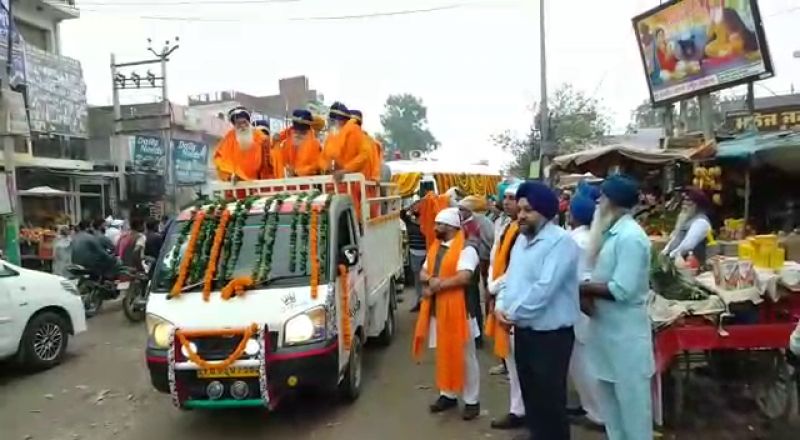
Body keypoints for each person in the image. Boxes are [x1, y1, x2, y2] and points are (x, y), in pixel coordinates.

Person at [495, 180, 579, 440]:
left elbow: (545, 288)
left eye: (528, 210)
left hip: (551, 338)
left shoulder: (561, 242)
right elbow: (510, 278)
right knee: (532, 401)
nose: (521, 215)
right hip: (524, 333)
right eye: (519, 209)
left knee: (551, 405)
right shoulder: (521, 240)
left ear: (545, 212)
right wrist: (500, 306)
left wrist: (513, 314)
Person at [580, 174, 654, 440]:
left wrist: (583, 288)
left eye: (602, 197)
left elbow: (622, 289)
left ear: (611, 202)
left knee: (633, 416)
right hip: (606, 336)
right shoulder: (611, 234)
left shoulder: (631, 237)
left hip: (626, 340)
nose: (598, 202)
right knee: (612, 414)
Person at [412, 207, 481, 421]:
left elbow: (464, 277)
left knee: (465, 356)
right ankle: (448, 394)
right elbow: (424, 271)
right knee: (444, 352)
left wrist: (436, 285)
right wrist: (431, 280)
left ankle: (472, 400)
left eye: (439, 224)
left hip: (461, 311)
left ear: (451, 227)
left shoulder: (467, 249)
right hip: (438, 311)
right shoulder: (436, 247)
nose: (435, 228)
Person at [486, 181, 525, 431]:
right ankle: (517, 409)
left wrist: (494, 287)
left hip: (516, 301)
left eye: (514, 198)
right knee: (512, 363)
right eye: (507, 197)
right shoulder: (507, 226)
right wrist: (492, 284)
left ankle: (521, 412)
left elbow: (517, 270)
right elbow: (495, 259)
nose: (509, 202)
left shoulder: (522, 231)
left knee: (521, 365)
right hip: (503, 296)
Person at [566, 191, 605, 431]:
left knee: (583, 363)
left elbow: (579, 277)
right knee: (584, 362)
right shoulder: (591, 237)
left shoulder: (576, 240)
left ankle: (597, 413)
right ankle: (589, 406)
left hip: (579, 306)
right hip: (584, 306)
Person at [458, 195, 495, 345]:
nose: (460, 212)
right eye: (459, 209)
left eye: (462, 209)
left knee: (473, 300)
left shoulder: (478, 223)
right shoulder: (463, 223)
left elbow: (489, 241)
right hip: (467, 265)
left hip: (478, 263)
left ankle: (478, 334)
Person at [213, 106, 272, 181]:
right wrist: (230, 174)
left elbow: (270, 153)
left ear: (248, 122)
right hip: (236, 183)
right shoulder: (229, 138)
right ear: (234, 125)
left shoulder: (259, 136)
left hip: (257, 183)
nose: (242, 126)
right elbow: (219, 158)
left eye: (244, 122)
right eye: (238, 123)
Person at [319, 102, 371, 181]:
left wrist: (345, 170)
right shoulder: (332, 135)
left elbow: (364, 155)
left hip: (356, 183)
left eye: (332, 121)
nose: (330, 124)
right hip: (336, 183)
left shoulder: (354, 130)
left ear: (341, 121)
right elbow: (322, 157)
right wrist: (326, 168)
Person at [662, 187, 712, 265]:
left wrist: (670, 257)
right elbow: (675, 239)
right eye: (683, 201)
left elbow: (687, 245)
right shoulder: (686, 219)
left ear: (696, 204)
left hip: (688, 266)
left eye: (688, 201)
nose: (684, 205)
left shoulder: (701, 222)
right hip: (674, 264)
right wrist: (664, 253)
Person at [273, 110, 323, 178]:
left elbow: (316, 166)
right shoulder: (286, 141)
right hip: (289, 183)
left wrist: (297, 172)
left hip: (308, 183)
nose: (299, 133)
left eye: (303, 131)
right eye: (296, 130)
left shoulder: (315, 145)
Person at [401, 197, 428, 312]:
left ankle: (426, 302)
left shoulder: (427, 223)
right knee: (417, 280)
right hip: (414, 254)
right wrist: (411, 207)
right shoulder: (410, 223)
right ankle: (419, 301)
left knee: (426, 280)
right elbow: (401, 214)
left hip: (426, 255)